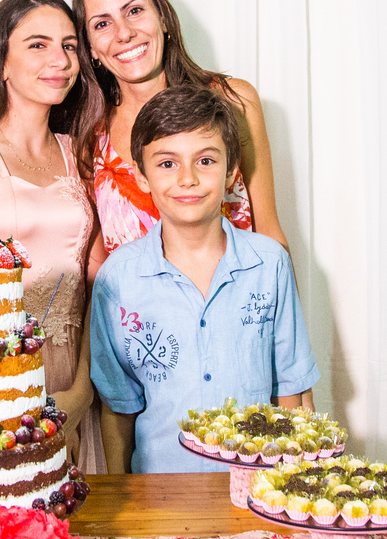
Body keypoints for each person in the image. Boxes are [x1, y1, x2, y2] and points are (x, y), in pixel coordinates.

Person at [89, 84, 319, 474]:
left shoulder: (269, 265)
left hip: (255, 491)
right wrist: (120, 495)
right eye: (167, 164)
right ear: (141, 176)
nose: (188, 179)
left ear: (231, 171)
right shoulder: (119, 279)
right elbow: (118, 409)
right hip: (158, 495)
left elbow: (293, 392)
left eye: (206, 160)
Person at [0, 0, 106, 473]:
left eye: (69, 45)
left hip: (72, 370)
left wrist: (80, 391)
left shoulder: (81, 151)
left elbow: (97, 284)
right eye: (37, 45)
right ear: (2, 62)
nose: (60, 60)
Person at [71, 0, 288, 255]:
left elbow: (270, 233)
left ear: (162, 16)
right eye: (102, 24)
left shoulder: (233, 100)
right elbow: (97, 262)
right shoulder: (89, 136)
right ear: (91, 47)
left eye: (134, 11)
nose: (124, 33)